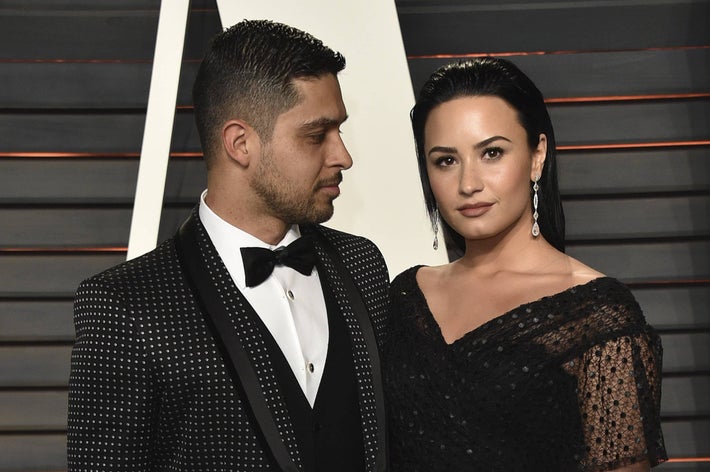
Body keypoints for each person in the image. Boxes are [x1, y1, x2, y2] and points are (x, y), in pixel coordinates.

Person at [68, 20, 389, 472]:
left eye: (339, 131)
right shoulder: (123, 305)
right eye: (317, 135)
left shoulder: (362, 264)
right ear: (240, 143)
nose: (343, 156)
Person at [383, 57, 667, 471]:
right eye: (446, 160)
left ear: (537, 155)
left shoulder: (599, 316)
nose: (468, 183)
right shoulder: (404, 297)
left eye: (492, 153)